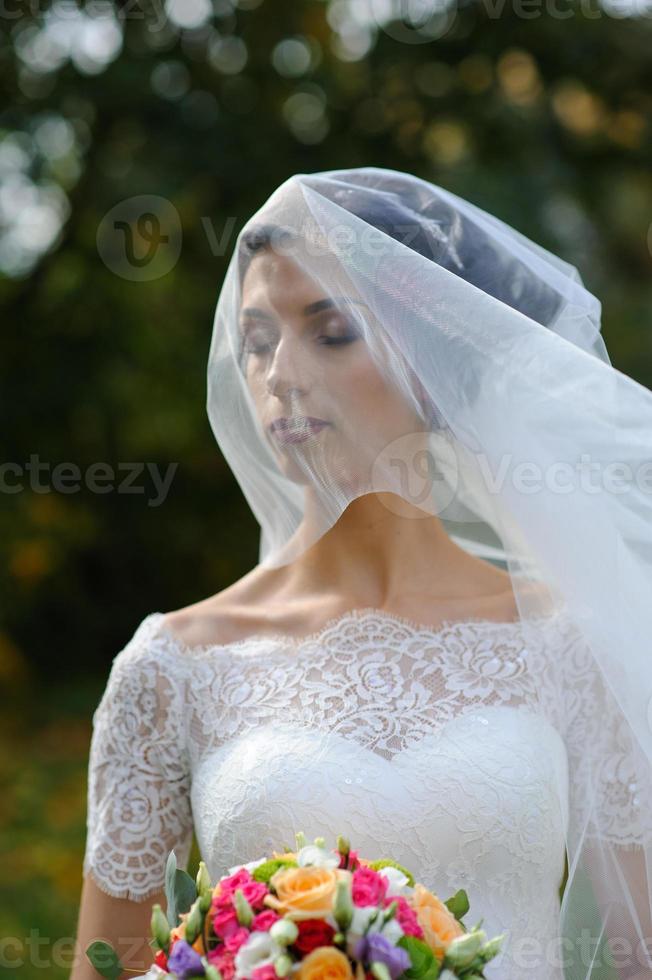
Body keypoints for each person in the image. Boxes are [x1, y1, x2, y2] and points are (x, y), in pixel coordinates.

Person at [73, 168, 652, 980]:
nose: (280, 377)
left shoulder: (572, 640)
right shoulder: (172, 667)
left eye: (331, 331)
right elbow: (108, 967)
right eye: (259, 341)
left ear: (431, 359)